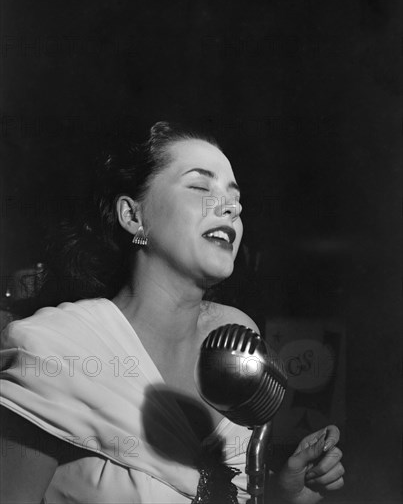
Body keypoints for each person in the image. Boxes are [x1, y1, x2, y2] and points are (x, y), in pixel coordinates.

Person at [0, 122, 344, 503]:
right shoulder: (56, 349)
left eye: (235, 200)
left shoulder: (239, 334)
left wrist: (284, 493)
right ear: (134, 216)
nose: (229, 208)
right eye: (200, 187)